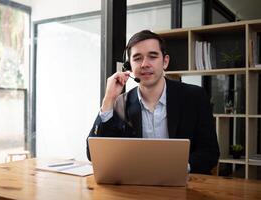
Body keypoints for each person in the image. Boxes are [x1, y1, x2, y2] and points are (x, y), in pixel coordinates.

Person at [86, 30, 219, 174]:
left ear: (165, 62)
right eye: (137, 58)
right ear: (129, 67)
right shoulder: (120, 104)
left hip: (186, 184)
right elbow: (93, 155)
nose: (144, 64)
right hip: (136, 186)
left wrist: (180, 168)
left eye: (152, 56)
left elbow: (210, 153)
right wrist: (108, 100)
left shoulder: (194, 97)